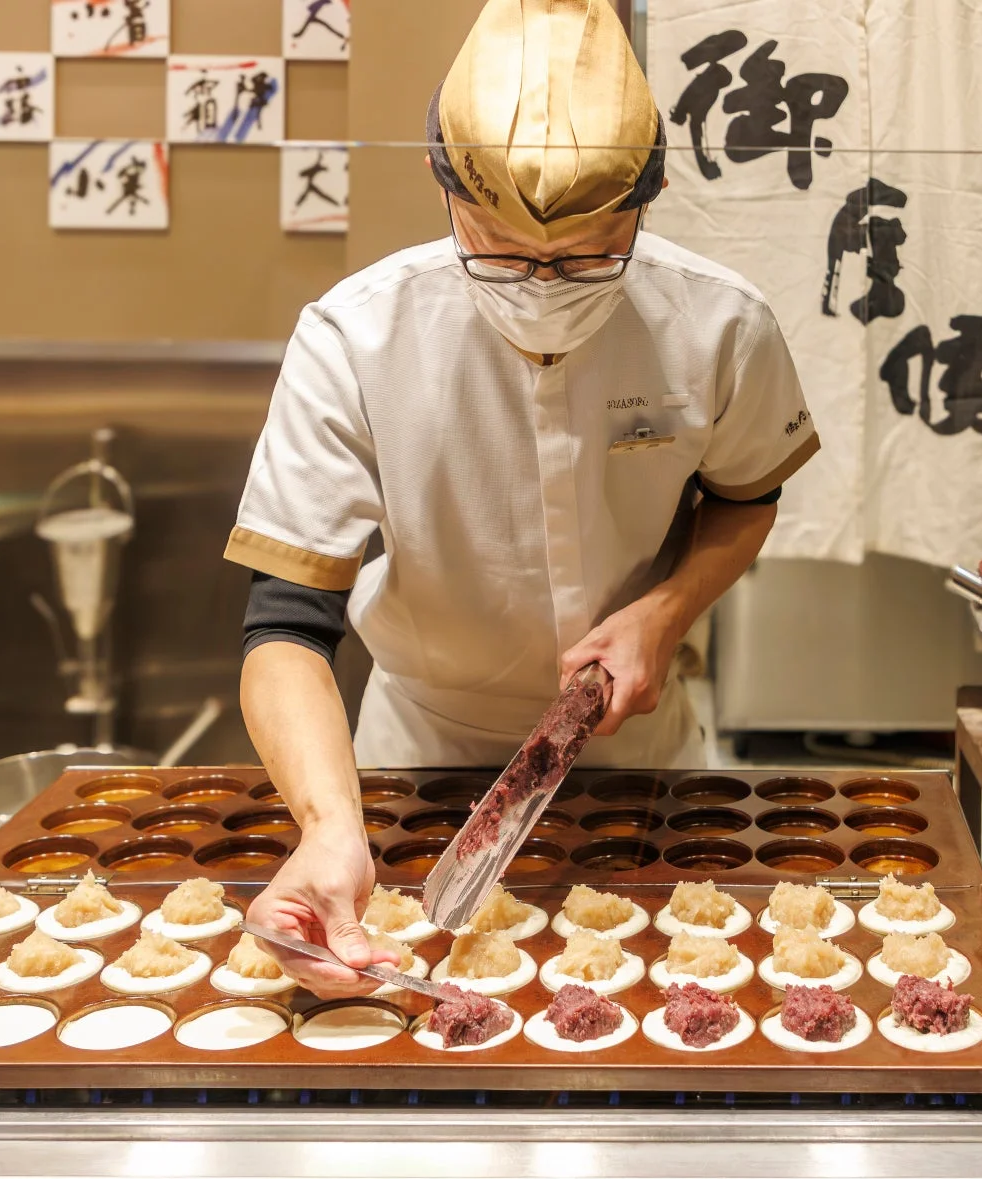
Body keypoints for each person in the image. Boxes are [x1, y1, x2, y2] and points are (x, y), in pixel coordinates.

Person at [224, 0, 819, 993]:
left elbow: (744, 497)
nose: (543, 287)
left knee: (661, 1020)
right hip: (417, 754)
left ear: (652, 193)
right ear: (440, 180)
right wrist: (331, 825)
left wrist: (665, 614)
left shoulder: (721, 326)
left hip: (642, 758)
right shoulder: (355, 336)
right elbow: (286, 621)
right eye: (501, 251)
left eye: (587, 257)